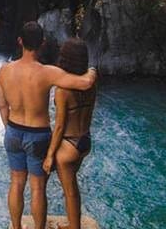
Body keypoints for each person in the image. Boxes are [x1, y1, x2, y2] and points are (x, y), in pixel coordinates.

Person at [0, 22, 97, 229]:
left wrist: (10, 129)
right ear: (42, 44)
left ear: (20, 41)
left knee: (16, 182)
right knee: (37, 188)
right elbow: (85, 83)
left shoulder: (4, 71)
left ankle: (16, 227)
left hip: (13, 130)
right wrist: (93, 70)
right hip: (38, 134)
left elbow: (2, 105)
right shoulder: (48, 73)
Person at [42, 38, 97, 229]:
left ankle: (74, 227)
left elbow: (59, 127)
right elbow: (91, 72)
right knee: (73, 188)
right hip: (84, 140)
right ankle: (73, 224)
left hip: (68, 145)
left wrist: (50, 155)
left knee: (70, 191)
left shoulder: (62, 90)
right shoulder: (91, 81)